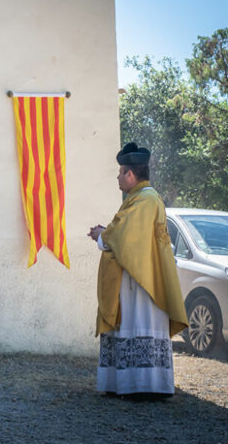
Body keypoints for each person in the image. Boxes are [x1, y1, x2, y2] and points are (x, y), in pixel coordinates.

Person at [88, 142, 187, 399]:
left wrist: (102, 234)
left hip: (143, 282)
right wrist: (106, 234)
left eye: (121, 173)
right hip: (136, 276)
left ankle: (145, 385)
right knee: (130, 326)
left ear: (131, 174)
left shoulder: (146, 199)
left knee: (138, 324)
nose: (118, 178)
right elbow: (123, 232)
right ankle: (126, 383)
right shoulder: (139, 198)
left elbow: (125, 236)